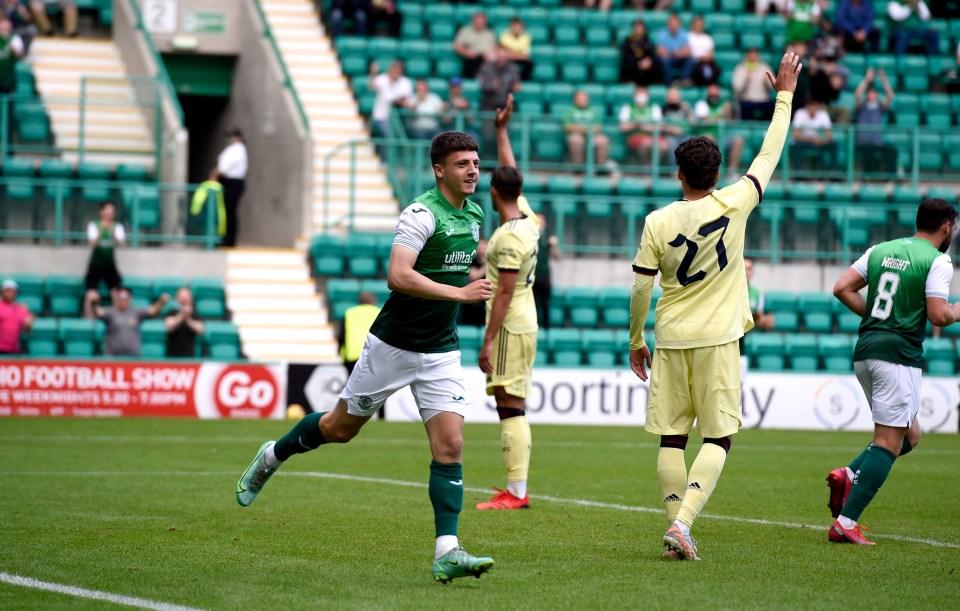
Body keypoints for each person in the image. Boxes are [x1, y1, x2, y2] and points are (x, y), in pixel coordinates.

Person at [235, 131, 496, 584]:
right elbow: (398, 275)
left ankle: (447, 550)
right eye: (462, 164)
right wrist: (460, 291)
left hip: (441, 349)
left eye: (475, 162)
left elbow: (456, 264)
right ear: (439, 170)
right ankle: (272, 455)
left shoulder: (474, 213)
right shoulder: (420, 214)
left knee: (450, 446)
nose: (472, 170)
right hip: (392, 346)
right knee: (339, 430)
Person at [628, 52, 801, 561]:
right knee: (720, 436)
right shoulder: (737, 200)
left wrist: (636, 340)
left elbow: (641, 289)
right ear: (718, 172)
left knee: (671, 438)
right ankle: (682, 525)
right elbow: (769, 154)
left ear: (679, 173)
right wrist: (785, 96)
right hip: (719, 336)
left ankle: (675, 527)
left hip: (672, 335)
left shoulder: (657, 220)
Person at [827, 198, 959, 545]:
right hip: (898, 356)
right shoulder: (938, 260)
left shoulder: (879, 250)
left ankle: (849, 474)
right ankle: (846, 521)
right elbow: (938, 315)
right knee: (888, 441)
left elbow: (842, 288)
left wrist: (876, 319)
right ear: (947, 226)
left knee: (910, 435)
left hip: (867, 351)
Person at [475, 95, 540, 511]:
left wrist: (487, 339)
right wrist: (501, 131)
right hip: (524, 319)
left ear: (493, 191)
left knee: (509, 404)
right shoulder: (527, 220)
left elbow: (502, 291)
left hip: (510, 324)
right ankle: (515, 488)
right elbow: (510, 173)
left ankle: (516, 492)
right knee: (509, 402)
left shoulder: (508, 238)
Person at [86, 286, 169, 357]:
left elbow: (152, 310)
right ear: (116, 298)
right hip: (112, 357)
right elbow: (97, 312)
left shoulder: (136, 312)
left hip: (133, 358)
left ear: (130, 298)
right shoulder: (110, 312)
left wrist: (161, 301)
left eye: (125, 297)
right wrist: (93, 302)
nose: (123, 300)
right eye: (120, 297)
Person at [694, 84, 745, 177]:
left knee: (738, 140)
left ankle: (731, 171)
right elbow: (706, 121)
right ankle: (709, 171)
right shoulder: (702, 104)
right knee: (709, 137)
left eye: (716, 95)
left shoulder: (724, 105)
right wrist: (721, 116)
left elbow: (730, 122)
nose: (714, 97)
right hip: (705, 139)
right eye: (711, 95)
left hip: (722, 137)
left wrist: (728, 112)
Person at [477, 45, 520, 153]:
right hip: (488, 106)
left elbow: (515, 84)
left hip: (505, 107)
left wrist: (516, 87)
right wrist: (491, 87)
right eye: (500, 55)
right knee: (488, 136)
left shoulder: (512, 68)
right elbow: (482, 86)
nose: (502, 58)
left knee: (504, 136)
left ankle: (502, 163)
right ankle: (488, 162)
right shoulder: (487, 67)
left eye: (504, 55)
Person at [854, 68, 896, 175]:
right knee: (869, 151)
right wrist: (867, 79)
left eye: (874, 94)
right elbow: (858, 94)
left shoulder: (880, 108)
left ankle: (891, 176)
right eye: (870, 93)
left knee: (891, 150)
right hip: (864, 143)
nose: (872, 96)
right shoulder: (861, 108)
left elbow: (890, 96)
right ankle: (870, 177)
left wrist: (883, 80)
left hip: (877, 143)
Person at [740, 258, 773, 383]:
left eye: (749, 268)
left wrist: (765, 322)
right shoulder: (730, 290)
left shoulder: (756, 293)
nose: (746, 271)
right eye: (743, 268)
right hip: (726, 345)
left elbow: (759, 320)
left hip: (742, 349)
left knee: (739, 390)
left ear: (752, 272)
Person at [619, 84, 667, 166]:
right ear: (634, 95)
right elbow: (623, 127)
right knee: (647, 143)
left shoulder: (654, 107)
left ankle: (655, 168)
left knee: (663, 146)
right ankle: (646, 168)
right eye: (639, 93)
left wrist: (641, 126)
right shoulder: (627, 108)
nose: (641, 96)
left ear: (648, 95)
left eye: (643, 93)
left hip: (653, 136)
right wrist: (636, 125)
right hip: (634, 136)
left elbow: (660, 127)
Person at [85, 202, 125, 298]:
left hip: (110, 263)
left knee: (118, 291)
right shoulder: (94, 225)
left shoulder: (117, 226)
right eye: (107, 210)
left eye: (111, 211)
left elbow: (122, 244)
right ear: (101, 212)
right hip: (96, 262)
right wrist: (101, 230)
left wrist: (112, 231)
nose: (109, 213)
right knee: (90, 292)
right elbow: (92, 245)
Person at [216, 128, 247, 248]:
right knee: (227, 211)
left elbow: (225, 167)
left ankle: (230, 240)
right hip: (229, 182)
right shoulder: (234, 149)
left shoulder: (238, 149)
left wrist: (216, 173)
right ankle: (226, 238)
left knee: (230, 211)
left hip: (233, 182)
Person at [563, 90, 611, 168]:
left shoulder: (593, 110)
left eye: (584, 99)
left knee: (603, 140)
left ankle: (601, 167)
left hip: (592, 135)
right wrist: (584, 130)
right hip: (576, 134)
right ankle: (578, 167)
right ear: (575, 100)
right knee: (575, 140)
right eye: (580, 99)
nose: (582, 101)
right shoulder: (570, 110)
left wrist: (584, 130)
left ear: (588, 100)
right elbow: (567, 127)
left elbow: (598, 127)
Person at [338, 291, 380, 375]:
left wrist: (340, 352)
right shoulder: (379, 313)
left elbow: (342, 336)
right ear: (374, 301)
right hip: (373, 356)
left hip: (352, 356)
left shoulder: (349, 313)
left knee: (352, 385)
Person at [369, 60, 412, 137]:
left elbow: (404, 100)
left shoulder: (405, 82)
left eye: (399, 69)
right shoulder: (383, 78)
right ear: (390, 69)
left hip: (399, 117)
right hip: (382, 115)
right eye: (394, 68)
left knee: (394, 139)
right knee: (389, 136)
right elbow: (372, 86)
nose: (396, 71)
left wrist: (398, 101)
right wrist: (373, 73)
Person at [791, 98, 835, 172]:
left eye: (814, 105)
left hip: (819, 142)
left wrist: (822, 140)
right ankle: (798, 174)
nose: (812, 108)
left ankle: (834, 174)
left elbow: (829, 135)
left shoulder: (823, 114)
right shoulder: (800, 113)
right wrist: (811, 139)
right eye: (810, 105)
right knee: (796, 146)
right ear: (807, 106)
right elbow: (796, 135)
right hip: (803, 141)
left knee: (833, 145)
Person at [732, 48, 775, 121]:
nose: (753, 57)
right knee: (743, 107)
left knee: (773, 106)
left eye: (755, 55)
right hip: (746, 100)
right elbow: (736, 89)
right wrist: (746, 79)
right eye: (750, 54)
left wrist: (766, 82)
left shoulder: (765, 68)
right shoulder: (740, 68)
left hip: (763, 100)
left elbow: (773, 86)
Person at [533, 212, 558, 329]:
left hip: (544, 275)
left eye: (541, 221)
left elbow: (557, 257)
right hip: (531, 275)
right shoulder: (529, 235)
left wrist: (553, 246)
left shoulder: (548, 236)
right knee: (532, 304)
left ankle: (547, 330)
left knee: (545, 304)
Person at [165, 287, 205, 358]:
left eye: (186, 297)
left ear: (191, 299)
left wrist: (188, 318)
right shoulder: (172, 312)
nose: (184, 299)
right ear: (177, 299)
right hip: (172, 357)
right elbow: (169, 327)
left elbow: (201, 329)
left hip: (189, 357)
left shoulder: (195, 313)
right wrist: (182, 315)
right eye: (181, 296)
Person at [454, 12, 496, 79]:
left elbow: (494, 48)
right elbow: (457, 47)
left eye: (482, 23)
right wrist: (467, 53)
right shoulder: (465, 31)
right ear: (473, 21)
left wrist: (490, 54)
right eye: (478, 22)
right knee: (472, 63)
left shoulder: (489, 33)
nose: (480, 24)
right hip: (472, 58)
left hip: (486, 59)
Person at [655, 14, 693, 86]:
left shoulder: (683, 34)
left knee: (691, 59)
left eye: (675, 24)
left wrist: (674, 53)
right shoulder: (662, 34)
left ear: (679, 25)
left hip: (679, 58)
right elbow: (660, 51)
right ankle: (670, 83)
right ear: (668, 25)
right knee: (665, 60)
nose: (673, 26)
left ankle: (683, 80)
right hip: (668, 59)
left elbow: (687, 50)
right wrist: (676, 52)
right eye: (672, 24)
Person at [619, 19, 660, 86]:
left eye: (640, 28)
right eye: (637, 28)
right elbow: (626, 56)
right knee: (626, 64)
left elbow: (651, 55)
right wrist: (638, 63)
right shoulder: (628, 41)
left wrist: (648, 61)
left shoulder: (648, 41)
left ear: (644, 30)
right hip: (632, 69)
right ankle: (628, 81)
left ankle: (652, 84)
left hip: (645, 71)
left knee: (656, 64)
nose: (639, 30)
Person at [457, 237, 487, 326]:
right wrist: (489, 264)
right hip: (472, 304)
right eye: (480, 246)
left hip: (485, 302)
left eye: (484, 246)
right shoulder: (471, 261)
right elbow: (474, 276)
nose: (483, 249)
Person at [0, 279, 33, 355]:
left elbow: (26, 330)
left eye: (11, 291)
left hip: (14, 351)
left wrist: (28, 323)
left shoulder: (21, 309)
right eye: (6, 290)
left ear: (16, 293)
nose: (9, 293)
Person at [499, 17, 532, 81]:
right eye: (515, 26)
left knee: (529, 64)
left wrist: (512, 54)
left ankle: (522, 80)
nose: (517, 29)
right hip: (508, 59)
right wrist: (517, 54)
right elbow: (504, 52)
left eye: (519, 27)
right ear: (511, 27)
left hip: (519, 59)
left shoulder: (526, 37)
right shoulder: (504, 35)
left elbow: (526, 55)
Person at [0, 17, 23, 103]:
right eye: (2, 26)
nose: (4, 29)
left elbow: (19, 55)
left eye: (6, 26)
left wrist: (8, 40)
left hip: (8, 78)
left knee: (7, 103)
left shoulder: (14, 38)